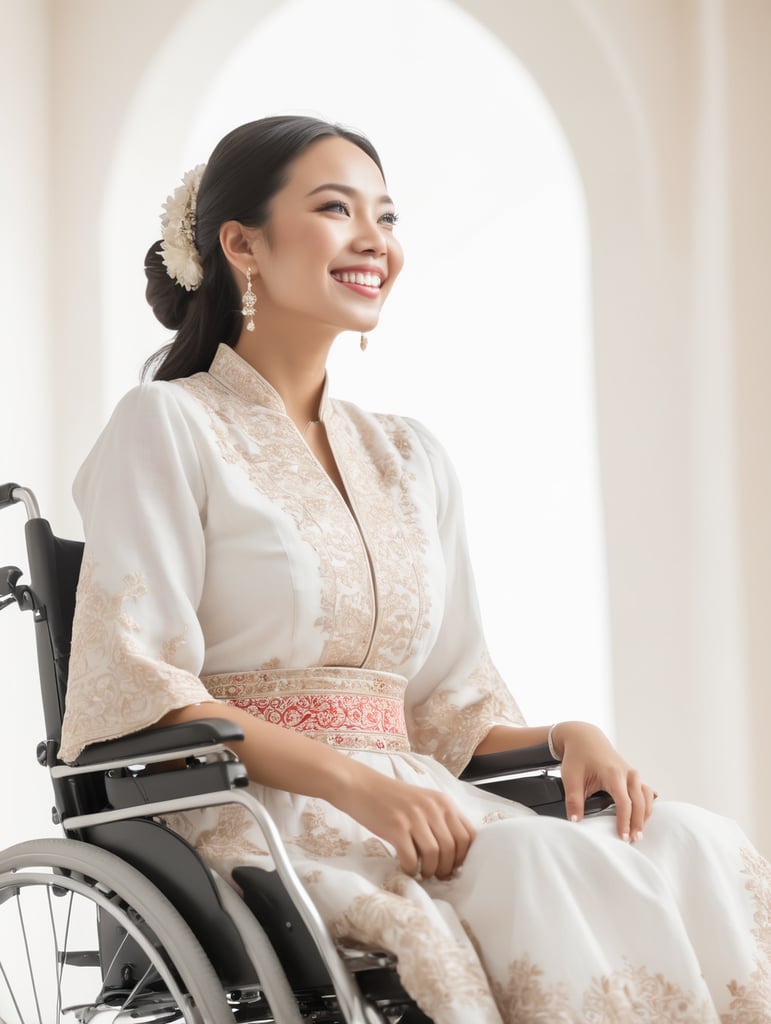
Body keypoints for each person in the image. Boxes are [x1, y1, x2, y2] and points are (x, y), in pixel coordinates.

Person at [59, 116, 770, 1024]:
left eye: (386, 218)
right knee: (544, 857)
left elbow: (447, 704)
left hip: (415, 796)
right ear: (241, 244)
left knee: (689, 839)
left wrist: (562, 735)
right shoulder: (166, 426)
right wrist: (355, 782)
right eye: (334, 208)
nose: (374, 241)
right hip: (250, 812)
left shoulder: (409, 456)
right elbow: (141, 684)